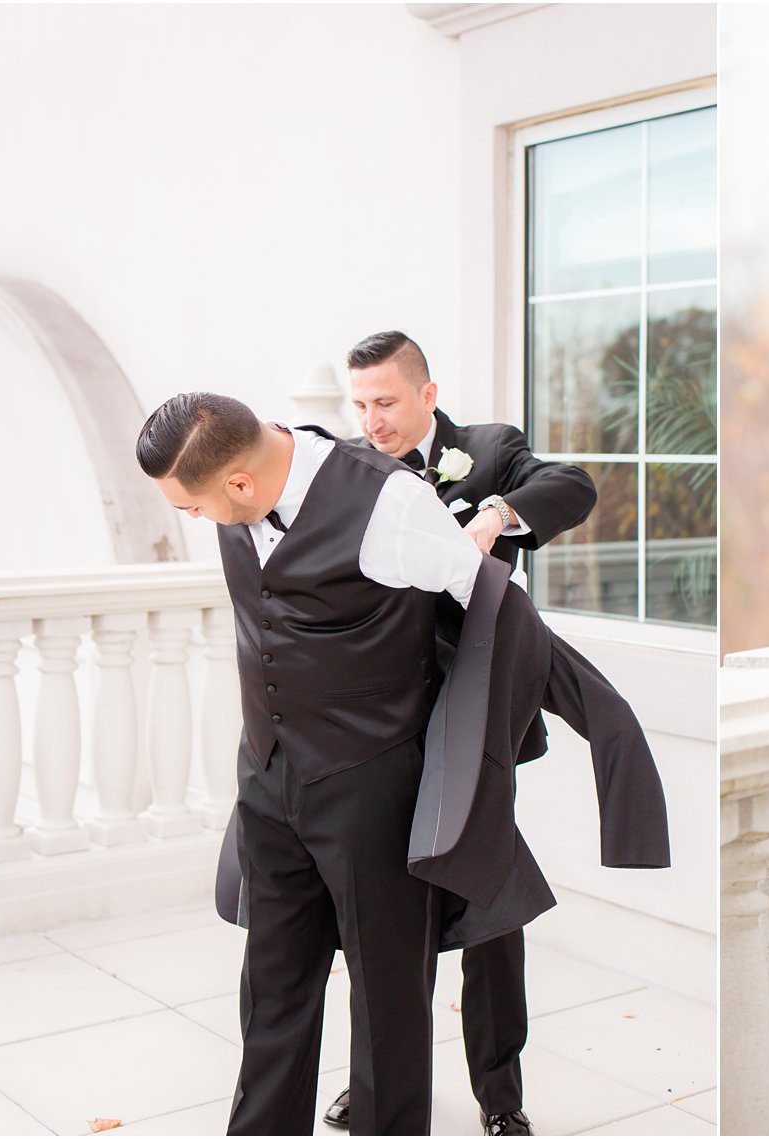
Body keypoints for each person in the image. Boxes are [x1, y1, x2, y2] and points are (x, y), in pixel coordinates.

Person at [137, 393, 486, 1135]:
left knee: (387, 994)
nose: (192, 521)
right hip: (268, 776)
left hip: (371, 781)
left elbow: (490, 604)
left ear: (238, 483)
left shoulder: (391, 501)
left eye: (191, 508)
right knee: (272, 985)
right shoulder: (240, 469)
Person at [321, 330, 597, 1137]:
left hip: (474, 718)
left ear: (427, 395)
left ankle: (500, 1095)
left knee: (490, 907)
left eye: (386, 402)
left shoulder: (487, 450)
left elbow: (571, 484)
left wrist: (499, 515)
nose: (371, 421)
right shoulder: (345, 467)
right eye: (360, 404)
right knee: (375, 918)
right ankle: (373, 1080)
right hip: (379, 727)